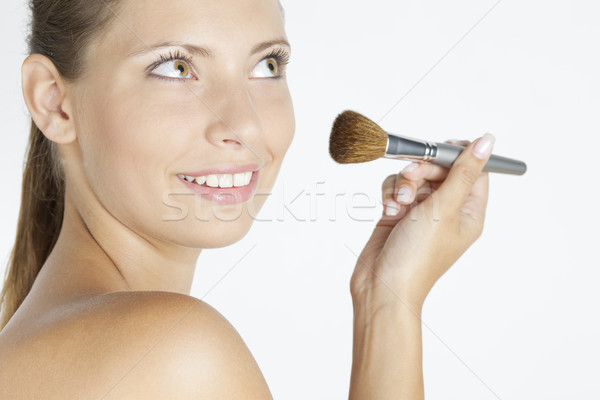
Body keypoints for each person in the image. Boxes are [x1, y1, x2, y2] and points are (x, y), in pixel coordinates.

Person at [0, 0, 495, 398]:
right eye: (176, 67)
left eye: (267, 64)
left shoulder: (36, 347)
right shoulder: (171, 349)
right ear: (53, 101)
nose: (246, 125)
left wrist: (385, 293)